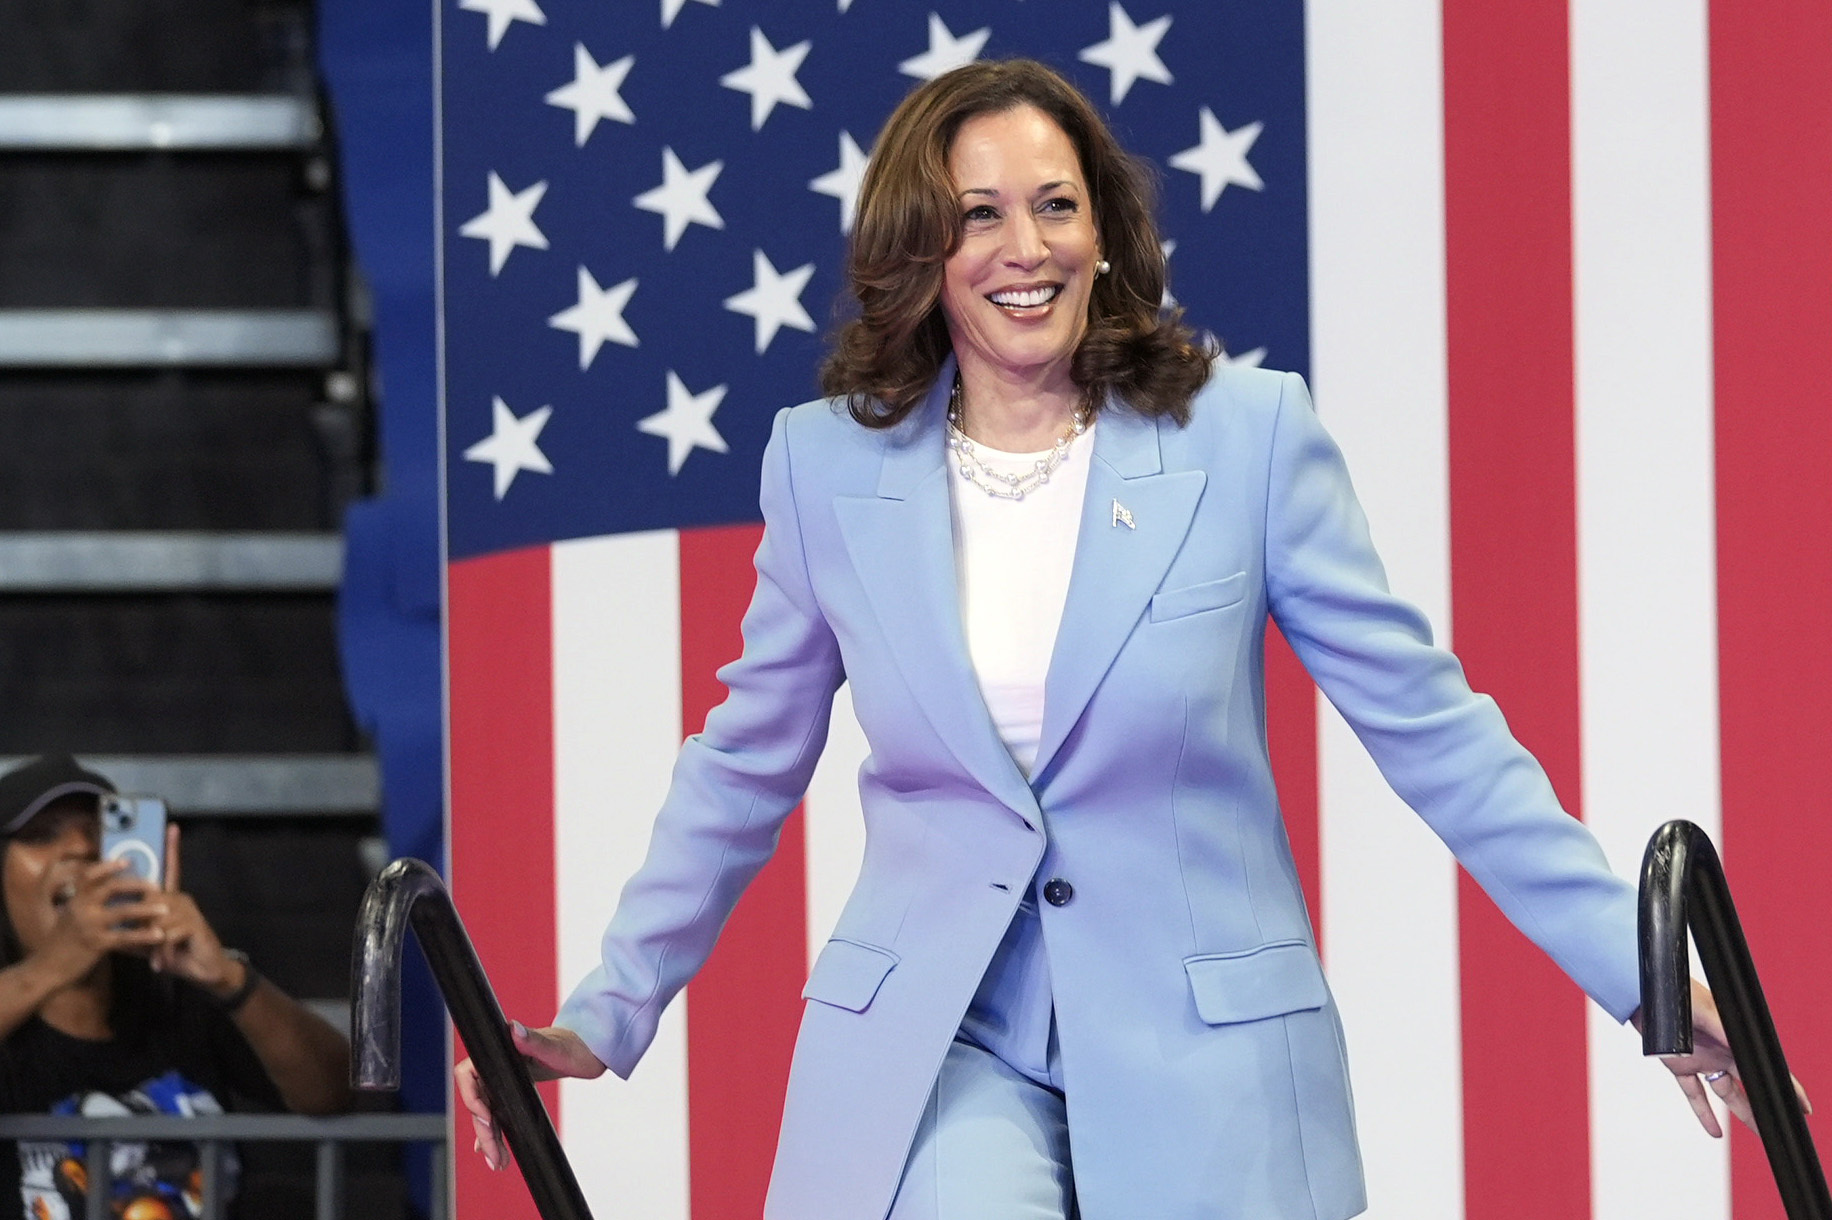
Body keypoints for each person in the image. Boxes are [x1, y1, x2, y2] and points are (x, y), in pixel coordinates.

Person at [458, 59, 1787, 1219]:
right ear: (922, 250)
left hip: (1200, 1052)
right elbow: (743, 767)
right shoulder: (825, 467)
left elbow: (1435, 733)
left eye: (1055, 205)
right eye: (979, 214)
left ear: (1106, 231)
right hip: (944, 1040)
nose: (1023, 247)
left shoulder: (1248, 435)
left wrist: (1640, 975)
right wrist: (605, 1009)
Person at [0, 754, 353, 1219]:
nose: (81, 848)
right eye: (43, 836)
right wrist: (54, 963)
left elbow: (332, 1091)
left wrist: (228, 979)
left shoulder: (179, 1003)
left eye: (100, 830)